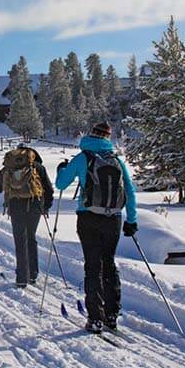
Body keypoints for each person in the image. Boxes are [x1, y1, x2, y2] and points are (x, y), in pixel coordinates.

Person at [55, 122, 138, 334]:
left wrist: (62, 170)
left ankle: (95, 318)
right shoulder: (116, 159)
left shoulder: (83, 157)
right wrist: (131, 220)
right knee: (109, 263)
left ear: (91, 135)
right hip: (114, 219)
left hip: (88, 216)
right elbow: (129, 190)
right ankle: (112, 315)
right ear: (108, 138)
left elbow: (61, 184)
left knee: (93, 266)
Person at [0, 143, 54, 288]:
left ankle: (21, 278)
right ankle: (33, 275)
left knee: (20, 239)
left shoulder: (9, 166)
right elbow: (49, 189)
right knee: (31, 237)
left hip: (16, 205)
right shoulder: (38, 167)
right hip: (35, 205)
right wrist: (46, 206)